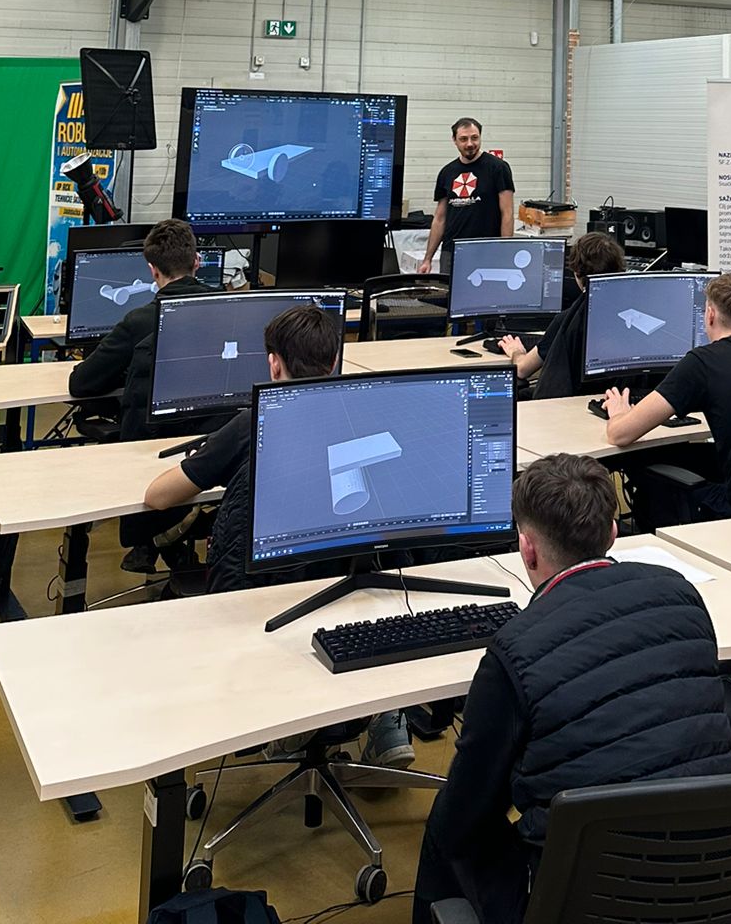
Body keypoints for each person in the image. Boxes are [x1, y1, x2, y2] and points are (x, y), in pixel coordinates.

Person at [411, 452, 731, 924]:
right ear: (613, 533)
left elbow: (468, 811)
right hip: (717, 879)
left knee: (447, 824)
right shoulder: (683, 597)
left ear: (527, 549)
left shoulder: (515, 649)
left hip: (583, 898)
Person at [142, 301, 414, 773]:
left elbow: (158, 496)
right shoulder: (370, 419)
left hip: (263, 602)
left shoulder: (255, 423)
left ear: (273, 364)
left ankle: (288, 724)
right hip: (352, 595)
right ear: (334, 361)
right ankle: (383, 717)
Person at [68, 217, 215, 571]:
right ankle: (171, 541)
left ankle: (157, 540)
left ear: (152, 270)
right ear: (197, 262)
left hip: (154, 450)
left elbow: (82, 384)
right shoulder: (229, 310)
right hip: (212, 445)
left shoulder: (139, 321)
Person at [602, 272, 731, 524]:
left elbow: (620, 434)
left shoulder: (702, 363)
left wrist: (619, 413)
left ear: (709, 314)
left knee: (641, 461)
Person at [498, 230, 625, 397]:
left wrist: (516, 351)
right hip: (618, 399)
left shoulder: (567, 321)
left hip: (569, 403)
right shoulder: (627, 315)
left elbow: (522, 369)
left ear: (577, 273)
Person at [419, 116, 514, 279]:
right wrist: (427, 259)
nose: (470, 144)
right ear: (454, 140)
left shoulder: (498, 168)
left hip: (486, 251)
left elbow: (508, 213)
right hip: (452, 252)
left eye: (474, 138)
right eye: (463, 139)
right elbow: (439, 219)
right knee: (449, 293)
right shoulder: (447, 172)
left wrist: (504, 253)